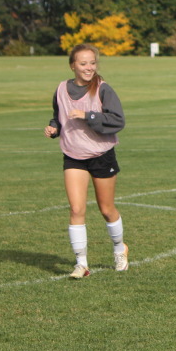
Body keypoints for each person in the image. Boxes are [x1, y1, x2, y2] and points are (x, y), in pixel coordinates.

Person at [43, 43, 128, 279]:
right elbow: (58, 116)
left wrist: (88, 115)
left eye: (92, 63)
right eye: (83, 63)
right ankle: (81, 264)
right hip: (73, 155)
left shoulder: (103, 89)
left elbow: (117, 121)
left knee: (106, 209)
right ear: (73, 66)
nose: (89, 67)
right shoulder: (61, 89)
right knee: (76, 209)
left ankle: (120, 249)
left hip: (101, 155)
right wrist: (54, 128)